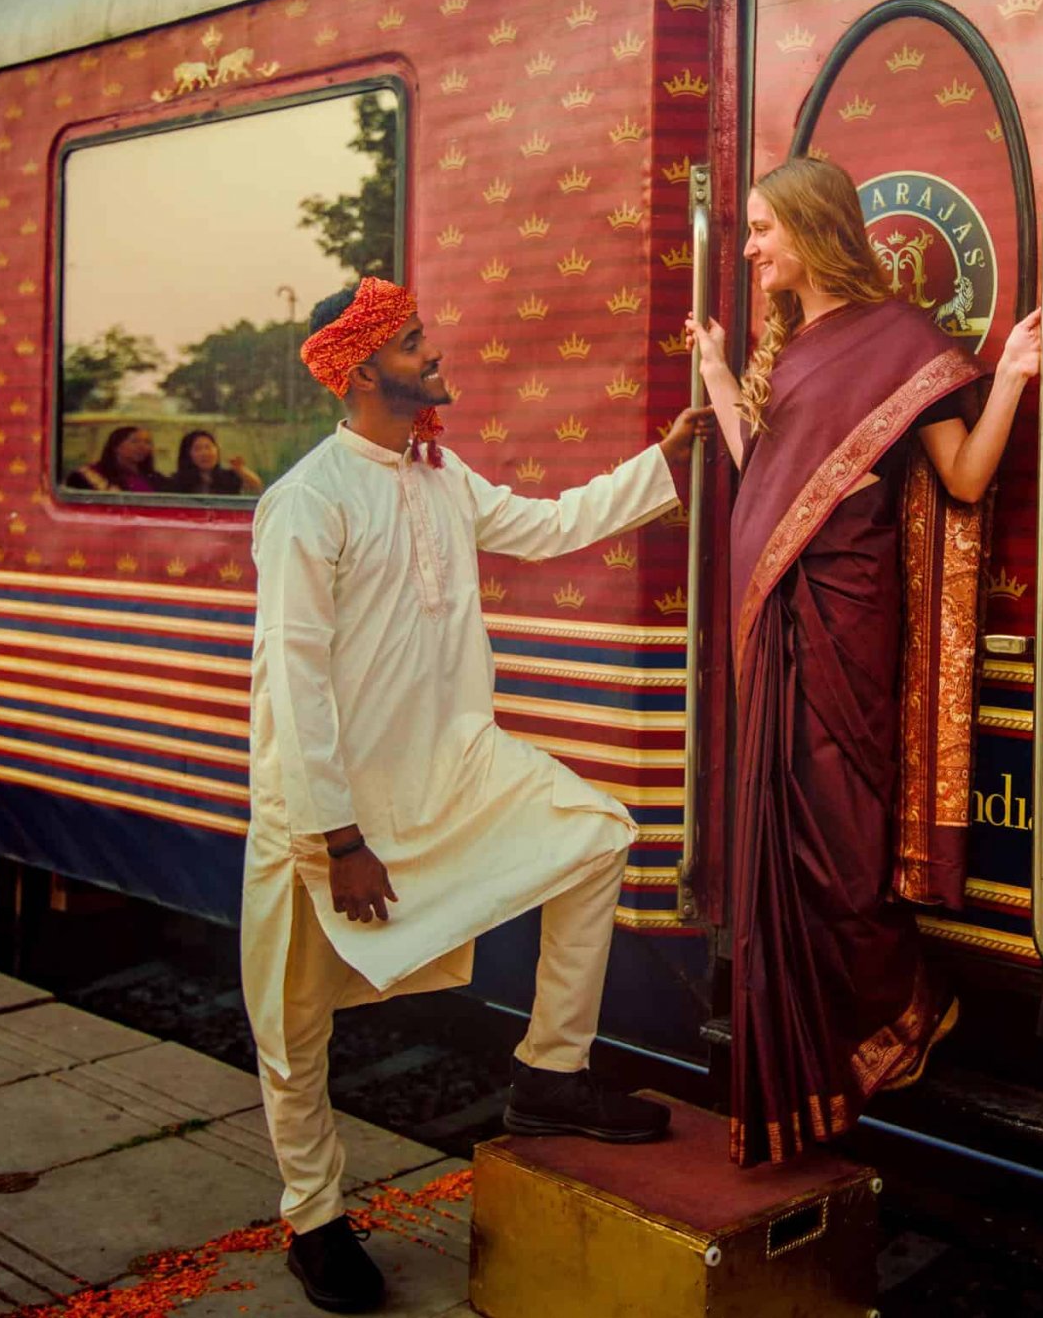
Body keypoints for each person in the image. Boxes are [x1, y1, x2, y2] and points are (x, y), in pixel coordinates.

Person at [245, 275, 708, 1312]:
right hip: (327, 809)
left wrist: (664, 464)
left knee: (597, 833)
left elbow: (546, 525)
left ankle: (549, 1074)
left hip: (451, 765)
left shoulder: (441, 478)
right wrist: (339, 834)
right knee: (294, 1023)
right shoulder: (306, 501)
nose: (434, 353)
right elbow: (294, 681)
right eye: (414, 343)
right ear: (362, 370)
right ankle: (314, 1218)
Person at [686, 155, 1043, 1166]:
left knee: (842, 850)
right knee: (783, 842)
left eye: (763, 227)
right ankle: (811, 1057)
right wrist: (722, 378)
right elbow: (761, 473)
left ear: (812, 228)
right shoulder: (791, 347)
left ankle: (901, 1010)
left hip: (852, 629)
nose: (752, 246)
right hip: (774, 625)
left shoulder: (900, 339)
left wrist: (1015, 377)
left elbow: (968, 476)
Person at [169, 428, 263, 496]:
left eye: (208, 447)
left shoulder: (228, 478)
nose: (205, 453)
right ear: (187, 454)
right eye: (197, 449)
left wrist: (241, 470)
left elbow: (256, 487)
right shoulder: (177, 482)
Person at [77, 425, 165, 493]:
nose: (142, 447)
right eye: (134, 441)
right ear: (116, 446)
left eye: (147, 442)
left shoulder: (155, 478)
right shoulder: (91, 474)